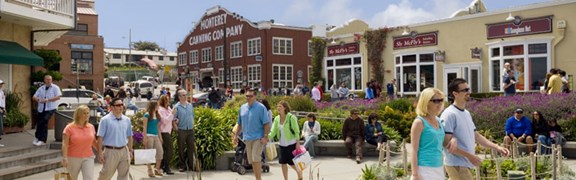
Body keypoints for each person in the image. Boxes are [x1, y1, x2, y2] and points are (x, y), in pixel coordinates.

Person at [441, 78, 509, 179]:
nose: (469, 92)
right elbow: (446, 144)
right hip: (456, 164)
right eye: (465, 90)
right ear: (455, 94)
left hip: (465, 164)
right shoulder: (449, 114)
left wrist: (497, 147)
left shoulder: (466, 113)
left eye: (468, 89)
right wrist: (470, 156)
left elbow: (476, 136)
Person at [232, 88, 270, 180]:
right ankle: (257, 177)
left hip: (258, 137)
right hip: (247, 138)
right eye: (247, 96)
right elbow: (239, 124)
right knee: (252, 160)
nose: (248, 98)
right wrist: (236, 135)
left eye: (250, 96)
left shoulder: (261, 108)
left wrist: (265, 137)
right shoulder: (242, 108)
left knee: (256, 158)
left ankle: (258, 179)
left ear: (255, 97)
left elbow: (266, 123)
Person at [410, 88, 446, 180]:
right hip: (424, 168)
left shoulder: (438, 120)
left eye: (441, 100)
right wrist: (415, 174)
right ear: (426, 102)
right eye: (436, 101)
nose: (440, 103)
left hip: (438, 167)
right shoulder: (419, 122)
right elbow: (414, 150)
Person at [96, 98, 133, 180]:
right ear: (111, 107)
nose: (121, 107)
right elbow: (100, 137)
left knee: (124, 176)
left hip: (124, 150)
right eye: (118, 105)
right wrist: (100, 152)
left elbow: (130, 136)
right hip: (110, 151)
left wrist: (130, 150)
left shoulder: (127, 120)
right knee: (106, 174)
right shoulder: (105, 120)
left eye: (122, 104)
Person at [268, 101, 303, 180]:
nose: (278, 108)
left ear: (285, 108)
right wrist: (267, 137)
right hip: (282, 144)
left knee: (292, 163)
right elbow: (273, 131)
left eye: (280, 106)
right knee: (283, 163)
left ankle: (300, 174)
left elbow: (296, 131)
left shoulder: (291, 117)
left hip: (291, 144)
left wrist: (298, 143)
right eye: (277, 106)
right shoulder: (277, 118)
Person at [62, 105, 97, 180]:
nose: (87, 115)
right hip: (73, 157)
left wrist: (101, 152)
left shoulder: (91, 127)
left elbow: (94, 142)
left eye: (88, 113)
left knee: (89, 178)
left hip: (88, 157)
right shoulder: (69, 127)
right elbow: (65, 144)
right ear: (78, 114)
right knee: (71, 178)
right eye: (84, 113)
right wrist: (64, 157)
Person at [32, 75, 62, 146]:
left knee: (44, 121)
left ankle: (42, 139)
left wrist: (48, 100)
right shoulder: (41, 88)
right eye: (47, 79)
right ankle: (37, 137)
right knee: (40, 123)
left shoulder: (55, 87)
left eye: (50, 79)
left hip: (50, 108)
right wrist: (39, 99)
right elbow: (34, 97)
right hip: (41, 108)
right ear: (44, 80)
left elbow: (58, 97)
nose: (49, 81)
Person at [172, 89, 196, 172]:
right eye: (183, 95)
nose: (185, 96)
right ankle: (182, 166)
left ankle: (192, 165)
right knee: (181, 148)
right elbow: (173, 119)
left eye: (185, 95)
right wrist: (176, 129)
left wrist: (193, 125)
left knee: (191, 148)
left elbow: (193, 116)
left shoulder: (190, 105)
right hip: (181, 130)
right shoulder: (176, 107)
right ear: (179, 97)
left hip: (190, 129)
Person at [142, 101, 164, 177]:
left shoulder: (157, 115)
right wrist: (144, 137)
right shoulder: (147, 115)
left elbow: (158, 127)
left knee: (160, 152)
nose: (158, 107)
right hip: (149, 136)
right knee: (149, 154)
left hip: (156, 136)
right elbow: (144, 127)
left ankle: (157, 169)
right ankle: (149, 170)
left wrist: (160, 137)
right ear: (153, 106)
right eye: (157, 105)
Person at [157, 95, 175, 175]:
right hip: (164, 132)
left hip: (169, 131)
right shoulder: (160, 110)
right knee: (169, 149)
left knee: (165, 150)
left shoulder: (168, 108)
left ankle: (163, 166)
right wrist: (172, 114)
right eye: (167, 100)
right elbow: (164, 121)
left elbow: (171, 118)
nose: (168, 101)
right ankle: (166, 166)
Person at [0, 80, 5, 147]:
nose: (1, 85)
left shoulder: (2, 92)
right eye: (0, 84)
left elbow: (3, 100)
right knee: (0, 125)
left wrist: (4, 108)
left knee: (1, 126)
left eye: (1, 84)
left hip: (2, 109)